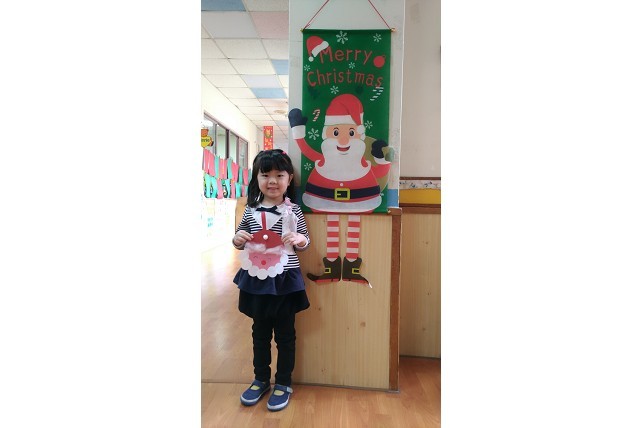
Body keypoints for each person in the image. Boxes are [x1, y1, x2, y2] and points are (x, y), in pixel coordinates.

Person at [232, 149, 311, 412]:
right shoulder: (251, 209)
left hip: (285, 278)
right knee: (260, 333)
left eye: (279, 175)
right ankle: (261, 379)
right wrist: (237, 239)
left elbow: (305, 240)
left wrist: (299, 239)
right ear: (257, 178)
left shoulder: (294, 210)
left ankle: (284, 383)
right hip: (257, 279)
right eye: (265, 175)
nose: (273, 181)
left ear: (289, 179)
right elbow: (239, 237)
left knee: (286, 335)